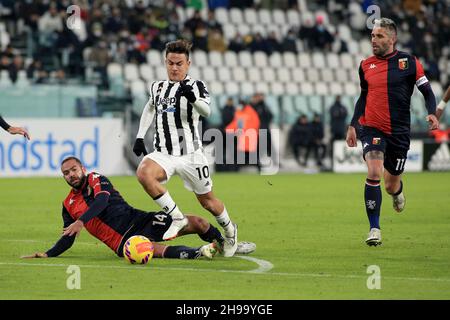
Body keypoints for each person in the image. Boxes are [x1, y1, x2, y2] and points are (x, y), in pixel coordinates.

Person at [132, 40, 238, 257]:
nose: (174, 68)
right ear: (165, 62)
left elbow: (206, 111)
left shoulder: (197, 86)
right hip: (164, 154)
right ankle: (178, 218)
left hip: (191, 155)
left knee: (208, 202)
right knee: (144, 173)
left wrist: (193, 99)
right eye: (170, 63)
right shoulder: (157, 87)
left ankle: (230, 231)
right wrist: (140, 136)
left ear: (188, 64)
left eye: (179, 63)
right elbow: (150, 107)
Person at [346, 18, 439, 246]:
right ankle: (374, 229)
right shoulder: (366, 65)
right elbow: (363, 96)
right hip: (372, 128)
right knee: (374, 171)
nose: (373, 40)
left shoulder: (408, 62)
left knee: (390, 185)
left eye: (379, 36)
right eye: (372, 36)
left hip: (398, 133)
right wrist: (352, 125)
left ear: (392, 38)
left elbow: (427, 92)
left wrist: (432, 112)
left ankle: (397, 193)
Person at [21, 156, 224, 260]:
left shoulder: (95, 179)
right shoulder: (68, 204)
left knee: (198, 222)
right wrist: (49, 253)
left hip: (138, 219)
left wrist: (81, 221)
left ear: (82, 169)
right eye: (66, 173)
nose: (71, 175)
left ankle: (224, 244)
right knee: (151, 250)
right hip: (122, 241)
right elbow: (69, 236)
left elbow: (102, 201)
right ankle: (198, 253)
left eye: (74, 170)